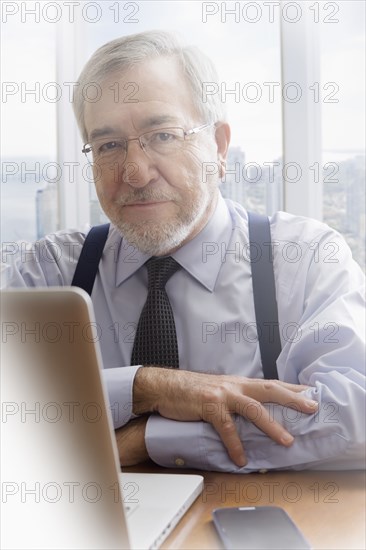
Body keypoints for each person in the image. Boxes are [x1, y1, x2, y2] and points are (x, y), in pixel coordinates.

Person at [2, 31, 365, 472]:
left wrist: (146, 438)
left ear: (219, 146)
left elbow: (353, 410)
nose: (134, 172)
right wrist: (145, 388)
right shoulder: (51, 271)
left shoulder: (304, 259)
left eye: (162, 135)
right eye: (109, 145)